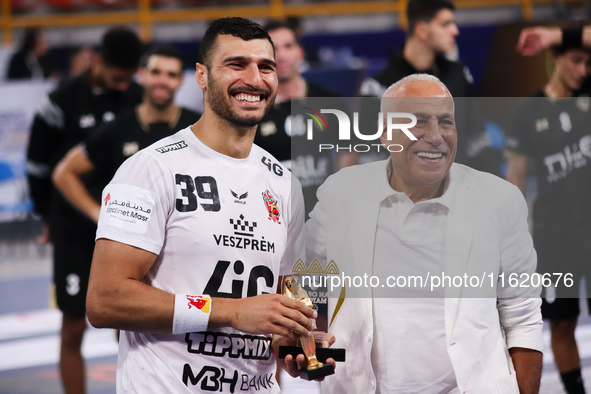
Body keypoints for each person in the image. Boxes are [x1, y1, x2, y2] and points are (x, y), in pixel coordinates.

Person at [86, 17, 330, 392]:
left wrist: (297, 343)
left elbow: (286, 296)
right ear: (201, 76)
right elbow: (105, 300)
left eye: (265, 66)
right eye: (236, 64)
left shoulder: (283, 183)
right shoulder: (151, 168)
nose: (254, 78)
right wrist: (232, 311)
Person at [306, 74, 543, 393]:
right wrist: (304, 342)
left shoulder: (499, 200)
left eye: (446, 122)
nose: (436, 136)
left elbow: (523, 320)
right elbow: (301, 279)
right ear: (386, 134)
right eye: (417, 121)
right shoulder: (340, 194)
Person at [25, 26, 143, 394]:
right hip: (75, 228)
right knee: (73, 324)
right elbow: (38, 168)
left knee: (131, 324)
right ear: (97, 61)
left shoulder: (138, 98)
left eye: (129, 78)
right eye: (116, 78)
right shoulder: (60, 102)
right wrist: (46, 218)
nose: (123, 86)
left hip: (129, 230)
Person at [506, 39, 591, 394]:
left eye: (588, 62)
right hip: (555, 236)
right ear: (554, 58)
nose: (583, 70)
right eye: (575, 60)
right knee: (561, 323)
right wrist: (515, 237)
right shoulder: (528, 112)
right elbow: (517, 178)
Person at [53, 45, 201, 224]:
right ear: (141, 75)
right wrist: (97, 214)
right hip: (132, 237)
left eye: (171, 75)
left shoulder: (199, 126)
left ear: (181, 81)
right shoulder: (117, 128)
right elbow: (64, 173)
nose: (163, 80)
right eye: (155, 72)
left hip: (187, 235)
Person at [358, 0, 501, 175]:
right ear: (422, 30)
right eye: (445, 24)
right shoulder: (378, 88)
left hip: (459, 193)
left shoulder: (459, 75)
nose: (455, 31)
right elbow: (372, 160)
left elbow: (479, 143)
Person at [255, 20, 352, 216]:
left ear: (300, 51)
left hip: (322, 212)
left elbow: (348, 148)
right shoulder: (253, 106)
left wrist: (337, 192)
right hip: (271, 214)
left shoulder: (328, 100)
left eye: (288, 46)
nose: (281, 55)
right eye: (273, 48)